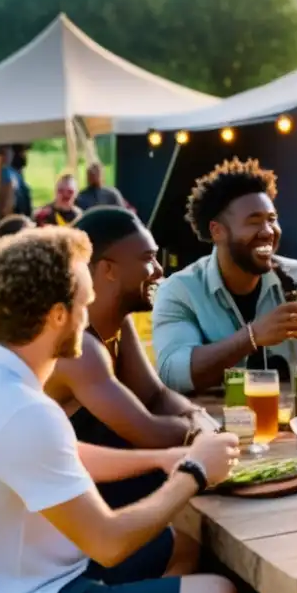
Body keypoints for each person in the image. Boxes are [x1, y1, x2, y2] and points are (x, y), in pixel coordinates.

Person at [0, 227, 242, 593]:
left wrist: (162, 458)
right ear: (57, 316)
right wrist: (192, 473)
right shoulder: (22, 412)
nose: (87, 317)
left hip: (0, 584)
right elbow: (108, 544)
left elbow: (63, 455)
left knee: (182, 544)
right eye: (83, 305)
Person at [45, 207, 217, 509]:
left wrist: (197, 417)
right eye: (147, 259)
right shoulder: (75, 345)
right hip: (65, 511)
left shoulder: (116, 323)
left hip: (100, 485)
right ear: (108, 270)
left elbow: (155, 394)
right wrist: (200, 433)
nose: (158, 270)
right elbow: (149, 432)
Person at [152, 157, 297, 395]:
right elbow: (173, 373)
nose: (268, 232)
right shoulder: (180, 290)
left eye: (272, 220)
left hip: (292, 422)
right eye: (254, 222)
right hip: (214, 425)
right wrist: (251, 338)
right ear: (217, 231)